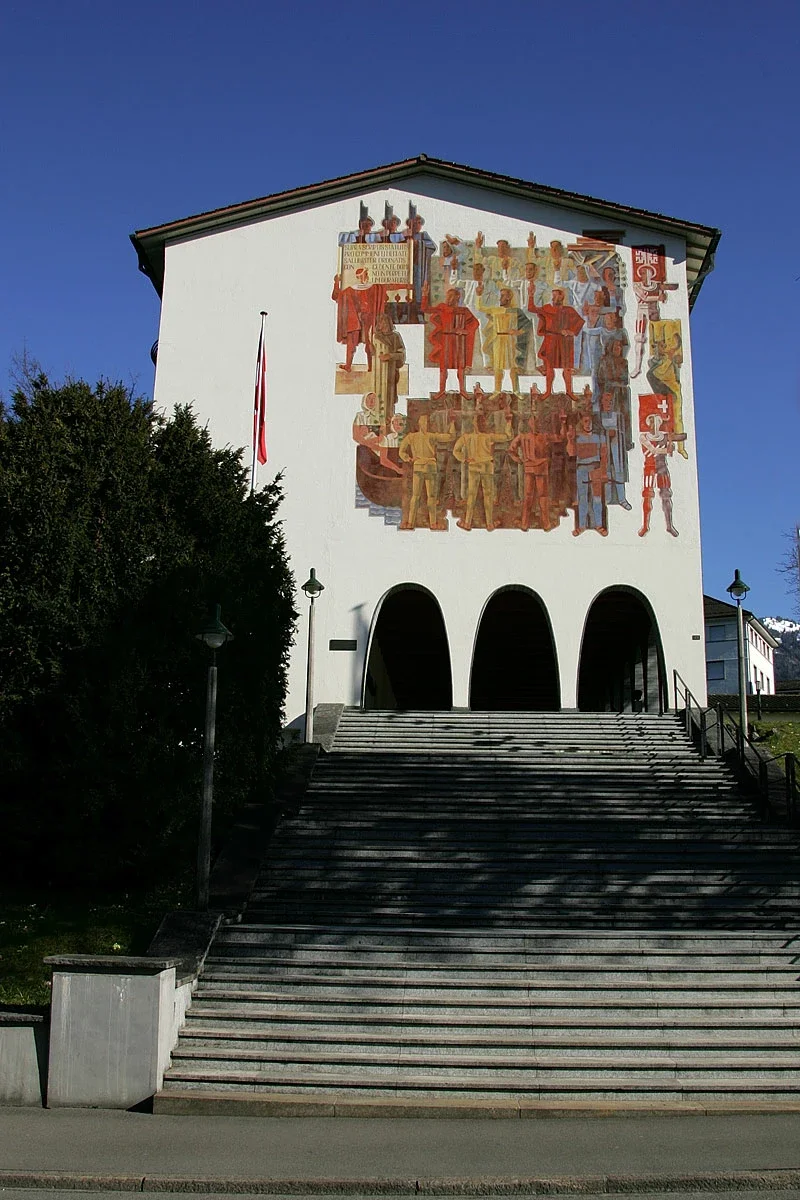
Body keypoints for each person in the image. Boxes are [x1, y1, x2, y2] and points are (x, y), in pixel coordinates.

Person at [452, 410, 512, 530]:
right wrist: (509, 422)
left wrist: (464, 459)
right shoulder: (489, 436)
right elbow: (507, 436)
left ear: (474, 424)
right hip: (486, 467)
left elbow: (455, 451)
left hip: (474, 466)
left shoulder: (466, 437)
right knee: (488, 495)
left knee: (471, 495)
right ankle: (489, 524)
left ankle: (467, 522)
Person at [509, 410, 566, 531]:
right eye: (533, 421)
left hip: (541, 468)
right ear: (529, 423)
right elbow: (511, 449)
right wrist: (518, 459)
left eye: (537, 421)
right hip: (530, 468)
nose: (535, 424)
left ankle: (546, 524)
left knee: (543, 496)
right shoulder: (523, 437)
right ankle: (525, 523)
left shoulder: (543, 436)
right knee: (528, 496)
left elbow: (561, 437)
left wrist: (563, 423)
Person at [423, 284, 480, 398]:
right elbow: (426, 309)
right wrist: (425, 294)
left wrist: (464, 331)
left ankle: (462, 390)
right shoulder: (442, 307)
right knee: (443, 367)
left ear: (457, 297)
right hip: (445, 340)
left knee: (460, 368)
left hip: (458, 342)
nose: (448, 299)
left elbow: (475, 323)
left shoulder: (464, 311)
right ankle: (441, 390)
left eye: (451, 297)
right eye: (447, 296)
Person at [398, 414, 454, 530]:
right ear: (419, 424)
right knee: (418, 496)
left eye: (427, 423)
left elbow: (450, 437)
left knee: (429, 496)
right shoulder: (413, 436)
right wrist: (408, 458)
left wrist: (452, 424)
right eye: (424, 422)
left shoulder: (428, 436)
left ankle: (430, 523)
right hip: (423, 467)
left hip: (428, 467)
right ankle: (411, 522)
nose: (426, 425)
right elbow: (401, 451)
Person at [528, 286, 584, 398]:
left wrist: (571, 331)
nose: (553, 298)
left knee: (567, 368)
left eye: (556, 295)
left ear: (562, 296)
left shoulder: (569, 310)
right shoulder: (547, 308)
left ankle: (569, 391)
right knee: (549, 367)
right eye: (552, 295)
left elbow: (579, 322)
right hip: (551, 340)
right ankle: (548, 391)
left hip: (565, 342)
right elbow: (532, 308)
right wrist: (531, 295)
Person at [476, 285, 532, 395]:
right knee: (497, 366)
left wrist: (518, 332)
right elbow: (480, 308)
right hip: (498, 340)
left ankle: (516, 390)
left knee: (513, 366)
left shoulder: (516, 311)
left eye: (502, 296)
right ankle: (497, 390)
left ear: (508, 298)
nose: (499, 298)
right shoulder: (496, 310)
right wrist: (478, 295)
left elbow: (527, 324)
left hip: (510, 340)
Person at [638, 412, 686, 537]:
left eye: (657, 422)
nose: (655, 425)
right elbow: (652, 450)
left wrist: (674, 442)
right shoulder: (644, 437)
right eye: (652, 422)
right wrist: (666, 450)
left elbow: (681, 437)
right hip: (649, 468)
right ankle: (645, 525)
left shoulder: (665, 436)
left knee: (666, 495)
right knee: (647, 495)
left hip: (662, 468)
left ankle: (669, 525)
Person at [332, 268, 387, 373]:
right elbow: (335, 297)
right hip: (357, 319)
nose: (366, 276)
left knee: (369, 342)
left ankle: (370, 366)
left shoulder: (373, 288)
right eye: (365, 274)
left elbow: (385, 288)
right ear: (360, 276)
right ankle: (349, 366)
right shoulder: (351, 290)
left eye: (366, 274)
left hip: (367, 319)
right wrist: (336, 282)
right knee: (352, 342)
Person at [573, 413, 608, 536]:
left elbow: (604, 455)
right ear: (582, 422)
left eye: (591, 421)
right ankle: (582, 525)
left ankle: (598, 524)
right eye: (586, 421)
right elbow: (571, 452)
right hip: (581, 469)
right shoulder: (577, 438)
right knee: (582, 497)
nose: (589, 424)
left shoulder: (600, 438)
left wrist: (603, 472)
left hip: (595, 468)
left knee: (597, 498)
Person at [372, 313, 406, 424]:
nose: (383, 324)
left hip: (391, 372)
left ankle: (390, 418)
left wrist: (390, 356)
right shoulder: (376, 337)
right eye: (381, 322)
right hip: (379, 372)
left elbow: (401, 354)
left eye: (385, 322)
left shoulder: (395, 336)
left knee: (390, 396)